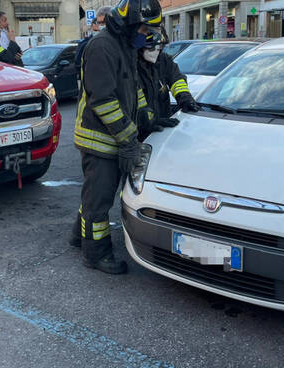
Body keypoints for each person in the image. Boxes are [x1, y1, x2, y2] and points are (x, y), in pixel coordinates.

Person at [69, 0, 163, 275]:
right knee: (99, 201)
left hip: (113, 137)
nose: (148, 34)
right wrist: (128, 139)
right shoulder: (102, 47)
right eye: (145, 27)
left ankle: (78, 236)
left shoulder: (124, 47)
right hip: (98, 138)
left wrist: (148, 116)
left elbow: (134, 91)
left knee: (95, 196)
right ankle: (96, 253)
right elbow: (103, 101)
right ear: (129, 23)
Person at [136, 26, 199, 140]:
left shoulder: (164, 60)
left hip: (163, 127)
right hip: (138, 131)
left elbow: (176, 79)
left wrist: (185, 98)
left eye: (160, 47)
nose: (156, 52)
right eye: (152, 48)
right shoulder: (131, 66)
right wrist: (145, 120)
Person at [74, 6, 112, 77]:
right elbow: (78, 64)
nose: (101, 26)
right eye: (99, 23)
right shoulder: (86, 44)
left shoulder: (119, 40)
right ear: (92, 26)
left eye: (103, 23)